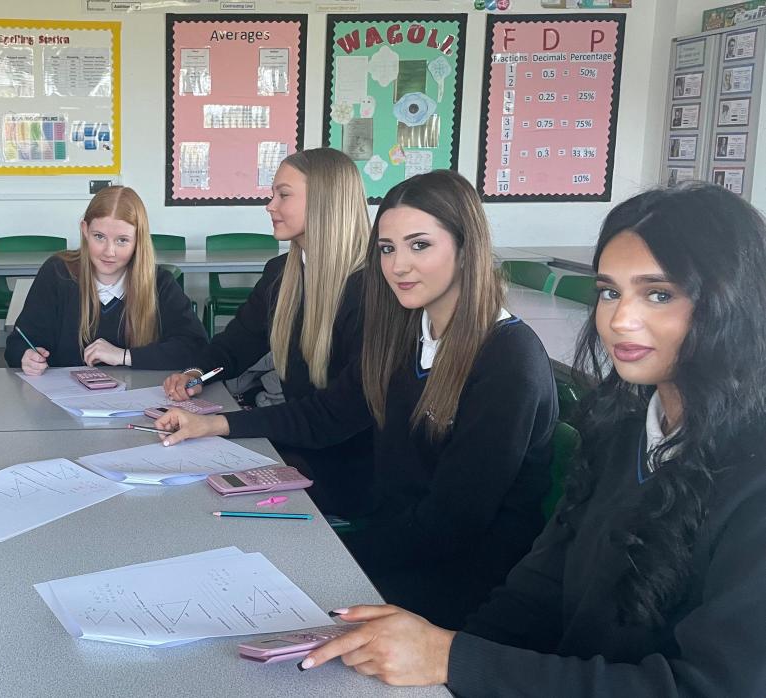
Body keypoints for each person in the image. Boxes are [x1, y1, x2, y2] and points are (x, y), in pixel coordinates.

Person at [300, 183, 766, 697]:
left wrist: (455, 659)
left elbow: (709, 688)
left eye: (659, 294)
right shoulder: (625, 428)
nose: (619, 320)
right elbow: (542, 584)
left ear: (732, 301)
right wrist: (445, 659)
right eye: (610, 291)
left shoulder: (751, 476)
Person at [334, 170, 555, 628]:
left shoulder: (508, 357)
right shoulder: (408, 332)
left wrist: (339, 556)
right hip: (402, 554)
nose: (397, 266)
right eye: (387, 249)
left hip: (465, 587)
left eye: (420, 245)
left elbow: (452, 524)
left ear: (465, 248)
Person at [154, 148, 375, 517]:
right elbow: (235, 345)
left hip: (348, 474)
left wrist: (216, 423)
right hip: (299, 446)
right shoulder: (281, 272)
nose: (270, 205)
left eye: (283, 194)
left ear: (324, 201)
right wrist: (197, 372)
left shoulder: (370, 290)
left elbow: (331, 417)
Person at [5, 185, 206, 373]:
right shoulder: (58, 273)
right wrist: (27, 357)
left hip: (137, 403)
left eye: (122, 241)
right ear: (85, 230)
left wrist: (124, 356)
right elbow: (18, 343)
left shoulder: (158, 283)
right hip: (66, 402)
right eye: (99, 237)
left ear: (138, 240)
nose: (109, 252)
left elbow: (196, 349)